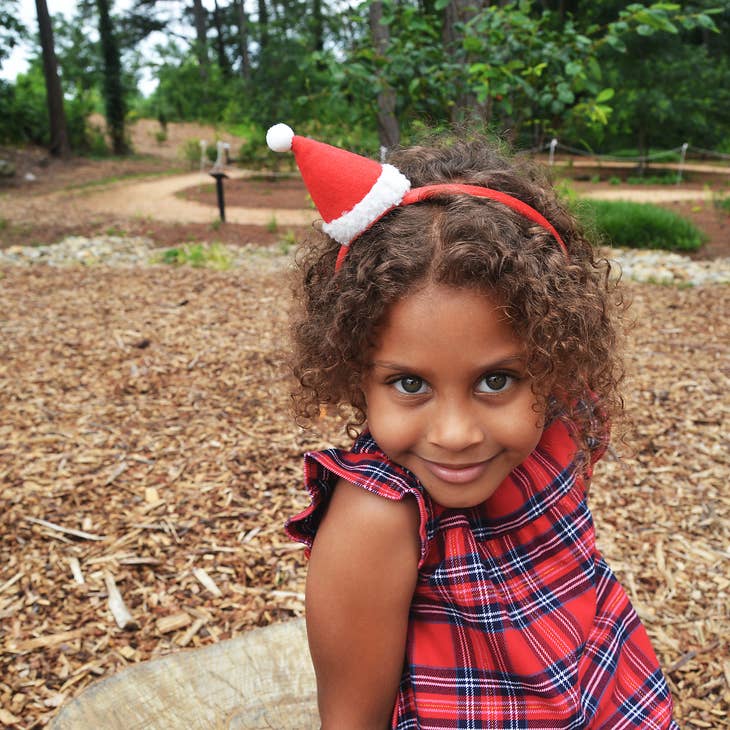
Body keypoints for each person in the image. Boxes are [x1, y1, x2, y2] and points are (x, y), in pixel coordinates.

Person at [266, 123, 677, 729]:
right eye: (410, 384)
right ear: (356, 374)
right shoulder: (378, 520)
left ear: (553, 358)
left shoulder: (560, 426)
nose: (456, 433)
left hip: (612, 698)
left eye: (496, 380)